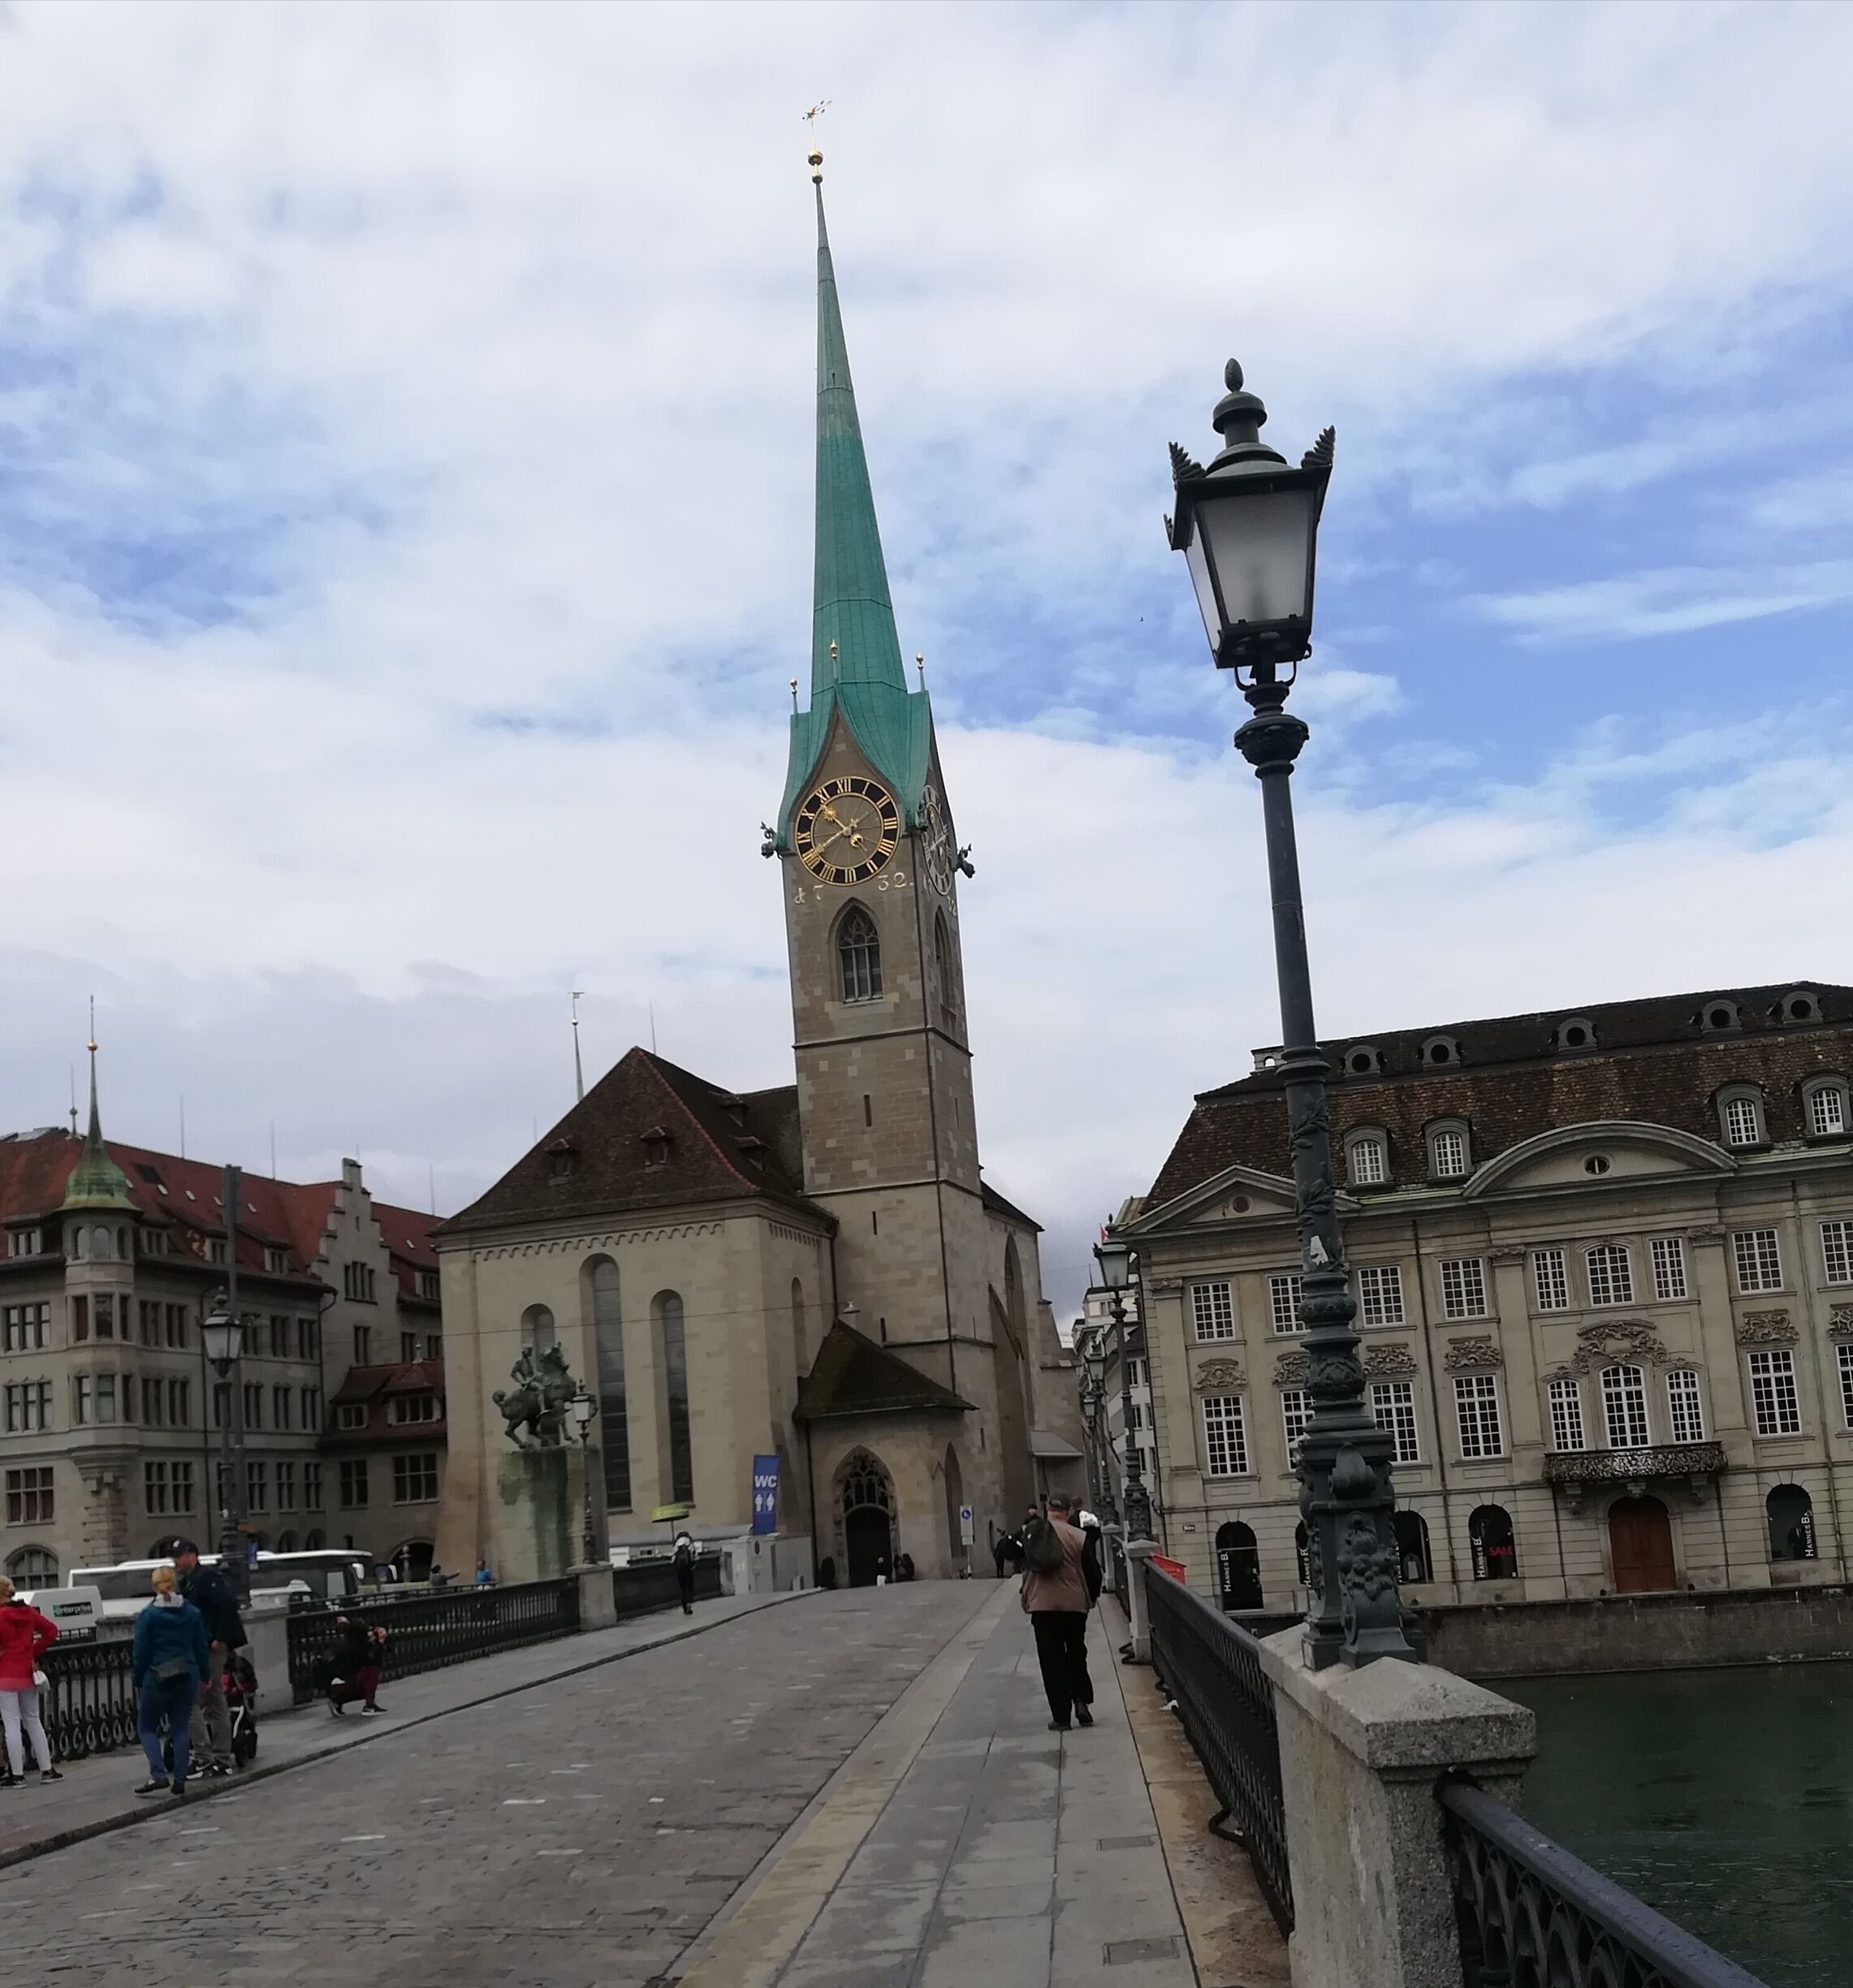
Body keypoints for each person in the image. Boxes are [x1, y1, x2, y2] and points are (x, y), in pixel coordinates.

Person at [132, 1565, 210, 1799]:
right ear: (174, 1584)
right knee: (180, 1726)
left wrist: (138, 1678)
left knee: (147, 1727)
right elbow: (200, 1648)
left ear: (154, 1586)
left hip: (156, 1676)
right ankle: (180, 1778)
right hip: (187, 1674)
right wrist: (205, 1676)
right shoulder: (192, 1613)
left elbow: (141, 1652)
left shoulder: (148, 1616)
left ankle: (158, 1773)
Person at [1020, 1493, 1096, 1732]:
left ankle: (1061, 1717)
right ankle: (1081, 1700)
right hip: (1073, 1605)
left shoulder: (1033, 1533)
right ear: (1069, 1512)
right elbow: (1092, 1572)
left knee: (1051, 1660)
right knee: (1076, 1652)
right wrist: (1090, 1598)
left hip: (1042, 1606)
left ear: (1047, 1508)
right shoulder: (1079, 1537)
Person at [172, 1540, 246, 1779]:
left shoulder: (205, 1578)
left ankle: (205, 1757)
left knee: (191, 1700)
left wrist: (220, 1638)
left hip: (209, 1648)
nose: (175, 1561)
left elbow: (227, 1604)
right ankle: (221, 1757)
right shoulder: (192, 1579)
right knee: (215, 1701)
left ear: (192, 1556)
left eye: (178, 1555)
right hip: (203, 1646)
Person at [0, 1574, 61, 1787]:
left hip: (5, 1675)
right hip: (28, 1673)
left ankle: (17, 1775)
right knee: (33, 1721)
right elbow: (51, 1631)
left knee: (11, 1725)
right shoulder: (28, 1611)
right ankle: (47, 1769)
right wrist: (32, 1653)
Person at [325, 1614, 387, 1717]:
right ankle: (370, 1706)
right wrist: (380, 1643)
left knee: (365, 1682)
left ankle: (337, 1702)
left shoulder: (347, 1645)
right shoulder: (355, 1650)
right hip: (344, 1687)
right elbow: (373, 1662)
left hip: (337, 1686)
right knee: (372, 1672)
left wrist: (372, 1644)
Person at [672, 1532, 696, 1615]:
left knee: (683, 1589)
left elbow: (673, 1559)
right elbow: (693, 1556)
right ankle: (689, 1605)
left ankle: (684, 1607)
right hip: (689, 1569)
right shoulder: (689, 1543)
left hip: (679, 1570)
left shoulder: (677, 1545)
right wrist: (693, 1565)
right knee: (690, 1588)